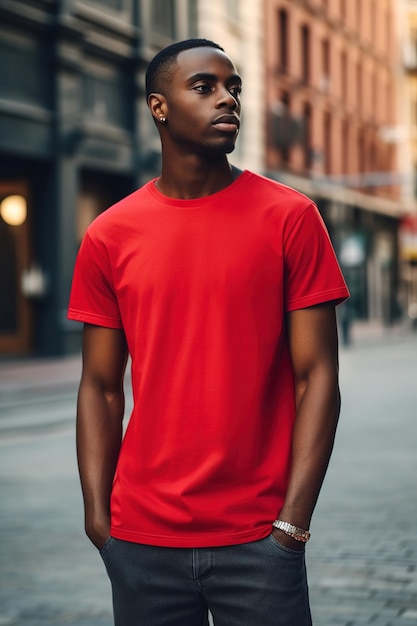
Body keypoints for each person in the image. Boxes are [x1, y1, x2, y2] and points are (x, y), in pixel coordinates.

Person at [68, 38, 350, 626]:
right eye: (205, 87)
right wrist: (100, 518)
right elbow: (99, 386)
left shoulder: (290, 218)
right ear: (159, 107)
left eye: (234, 88)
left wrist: (292, 524)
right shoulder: (109, 235)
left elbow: (318, 375)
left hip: (260, 541)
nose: (228, 100)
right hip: (142, 542)